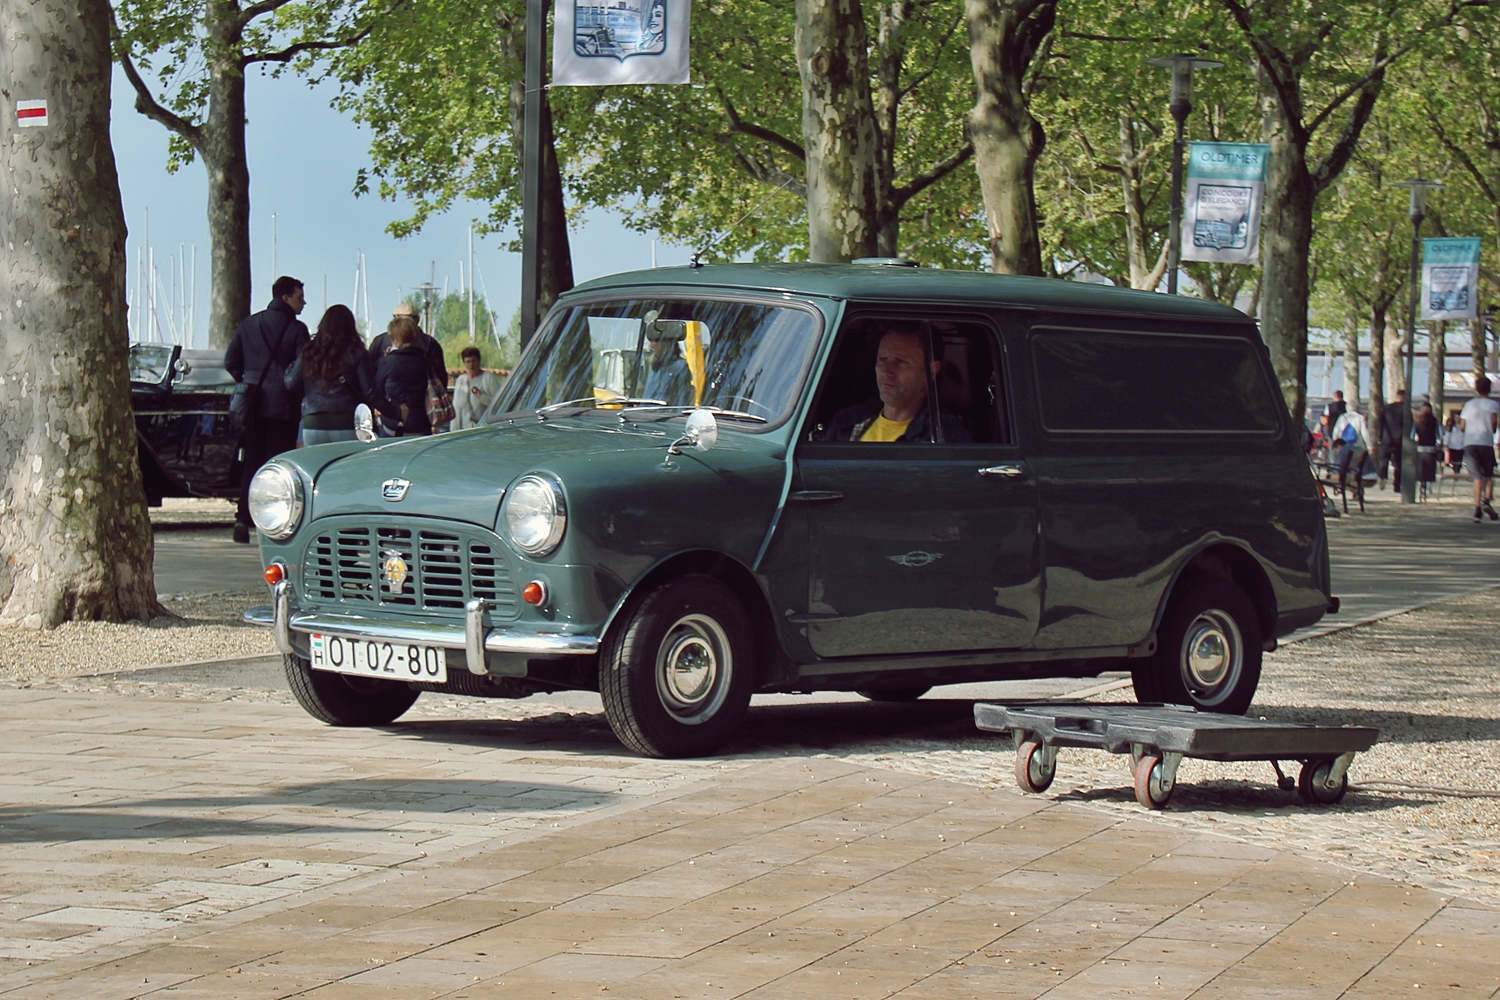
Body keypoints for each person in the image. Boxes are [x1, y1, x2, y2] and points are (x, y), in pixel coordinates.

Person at [225, 276, 311, 543]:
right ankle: (273, 522)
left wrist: (248, 381)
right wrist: (292, 387)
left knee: (252, 462)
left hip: (252, 406)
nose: (303, 302)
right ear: (286, 297)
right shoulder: (297, 330)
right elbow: (302, 368)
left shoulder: (249, 324)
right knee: (278, 466)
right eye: (299, 297)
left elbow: (231, 361)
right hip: (283, 407)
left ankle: (242, 518)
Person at [827, 328, 970, 442]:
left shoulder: (944, 438)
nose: (887, 372)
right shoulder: (845, 422)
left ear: (931, 371)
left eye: (901, 362)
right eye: (883, 359)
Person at [284, 304, 385, 445]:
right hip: (348, 422)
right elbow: (370, 393)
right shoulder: (357, 352)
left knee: (316, 467)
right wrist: (396, 413)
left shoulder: (309, 352)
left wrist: (289, 367)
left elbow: (292, 383)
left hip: (314, 422)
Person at [369, 301, 449, 427]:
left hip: (391, 415)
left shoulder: (380, 343)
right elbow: (439, 380)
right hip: (423, 415)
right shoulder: (429, 344)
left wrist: (378, 405)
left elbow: (372, 379)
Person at [375, 316, 432, 437]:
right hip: (422, 423)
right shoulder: (426, 362)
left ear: (394, 338)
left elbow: (377, 392)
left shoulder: (387, 362)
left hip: (393, 424)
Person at [1458, 375, 1500, 522]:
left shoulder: (1469, 405)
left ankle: (1477, 509)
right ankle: (1486, 501)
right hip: (1486, 443)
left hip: (1470, 443)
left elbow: (1462, 426)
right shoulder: (1493, 404)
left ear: (1476, 388)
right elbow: (1493, 422)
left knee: (1476, 477)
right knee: (1488, 475)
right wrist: (1492, 429)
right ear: (1490, 389)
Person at [1331, 401, 1373, 501]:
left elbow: (1335, 432)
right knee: (1357, 469)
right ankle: (1359, 491)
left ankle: (1353, 491)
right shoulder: (1360, 418)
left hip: (1343, 447)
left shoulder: (1342, 418)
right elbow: (1365, 433)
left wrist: (1336, 444)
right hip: (1357, 448)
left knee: (1345, 469)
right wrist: (1370, 446)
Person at [453, 347, 502, 429]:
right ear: (464, 363)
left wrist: (482, 397)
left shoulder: (488, 378)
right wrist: (453, 432)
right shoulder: (461, 380)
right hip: (464, 431)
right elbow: (456, 408)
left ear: (479, 361)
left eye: (474, 361)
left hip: (484, 429)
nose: (471, 365)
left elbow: (500, 403)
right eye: (468, 362)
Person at [642, 335, 692, 403]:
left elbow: (682, 400)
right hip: (645, 412)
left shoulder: (679, 367)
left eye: (655, 342)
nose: (651, 346)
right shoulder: (652, 366)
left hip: (666, 412)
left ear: (665, 344)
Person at [1377, 388, 1406, 491]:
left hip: (1386, 438)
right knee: (1398, 464)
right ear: (1404, 398)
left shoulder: (1386, 408)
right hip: (1399, 439)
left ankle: (1383, 476)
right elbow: (1409, 425)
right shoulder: (1405, 409)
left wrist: (1379, 436)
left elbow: (1380, 423)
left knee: (1384, 460)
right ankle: (1397, 485)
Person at [1414, 401, 1439, 498]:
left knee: (1420, 467)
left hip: (1420, 447)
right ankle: (1428, 487)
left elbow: (1413, 434)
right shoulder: (1434, 421)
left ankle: (1421, 484)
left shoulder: (1418, 421)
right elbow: (1439, 435)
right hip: (1431, 447)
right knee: (1430, 468)